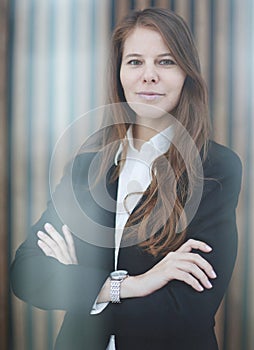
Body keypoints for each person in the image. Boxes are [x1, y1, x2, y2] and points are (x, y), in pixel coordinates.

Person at [11, 8, 242, 350]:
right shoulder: (86, 168)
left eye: (165, 62)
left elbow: (184, 312)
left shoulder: (215, 169)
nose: (148, 75)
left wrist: (82, 286)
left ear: (186, 74)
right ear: (119, 73)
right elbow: (27, 274)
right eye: (135, 61)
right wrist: (136, 284)